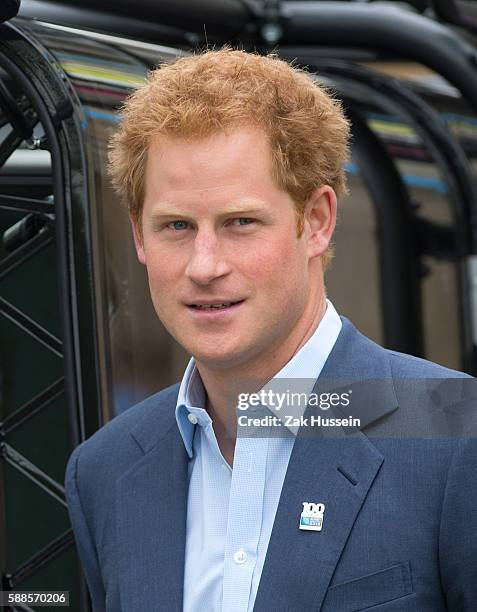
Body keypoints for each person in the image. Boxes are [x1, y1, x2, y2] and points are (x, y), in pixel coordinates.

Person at [65, 48, 477, 611]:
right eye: (177, 226)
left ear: (317, 221)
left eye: (240, 223)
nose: (204, 265)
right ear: (139, 235)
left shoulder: (458, 437)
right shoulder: (105, 471)